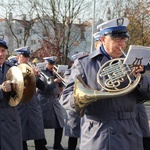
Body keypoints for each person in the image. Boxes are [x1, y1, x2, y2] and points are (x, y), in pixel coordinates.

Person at [60, 17, 150, 150]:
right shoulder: (84, 63)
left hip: (129, 132)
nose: (122, 44)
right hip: (98, 132)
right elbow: (66, 98)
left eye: (124, 39)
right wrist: (94, 94)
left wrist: (140, 79)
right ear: (103, 40)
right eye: (116, 39)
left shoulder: (132, 63)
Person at [14, 47, 48, 150]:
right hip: (20, 105)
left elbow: (43, 87)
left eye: (27, 57)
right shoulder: (12, 68)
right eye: (24, 57)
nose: (27, 60)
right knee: (21, 135)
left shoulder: (31, 69)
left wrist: (36, 77)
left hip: (33, 105)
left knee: (38, 133)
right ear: (18, 57)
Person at [37, 56, 65, 150]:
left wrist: (59, 79)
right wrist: (54, 81)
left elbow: (61, 85)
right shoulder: (41, 73)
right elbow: (44, 87)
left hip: (54, 100)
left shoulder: (54, 72)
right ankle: (41, 144)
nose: (51, 66)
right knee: (42, 124)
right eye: (49, 64)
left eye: (53, 64)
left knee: (60, 122)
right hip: (44, 100)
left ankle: (57, 144)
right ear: (45, 64)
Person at [60, 52, 87, 150]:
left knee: (83, 135)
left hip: (84, 108)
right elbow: (68, 89)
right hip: (73, 109)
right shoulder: (69, 72)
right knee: (73, 134)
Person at [0, 39, 23, 149]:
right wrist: (1, 88)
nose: (1, 54)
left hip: (10, 119)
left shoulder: (13, 68)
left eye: (3, 50)